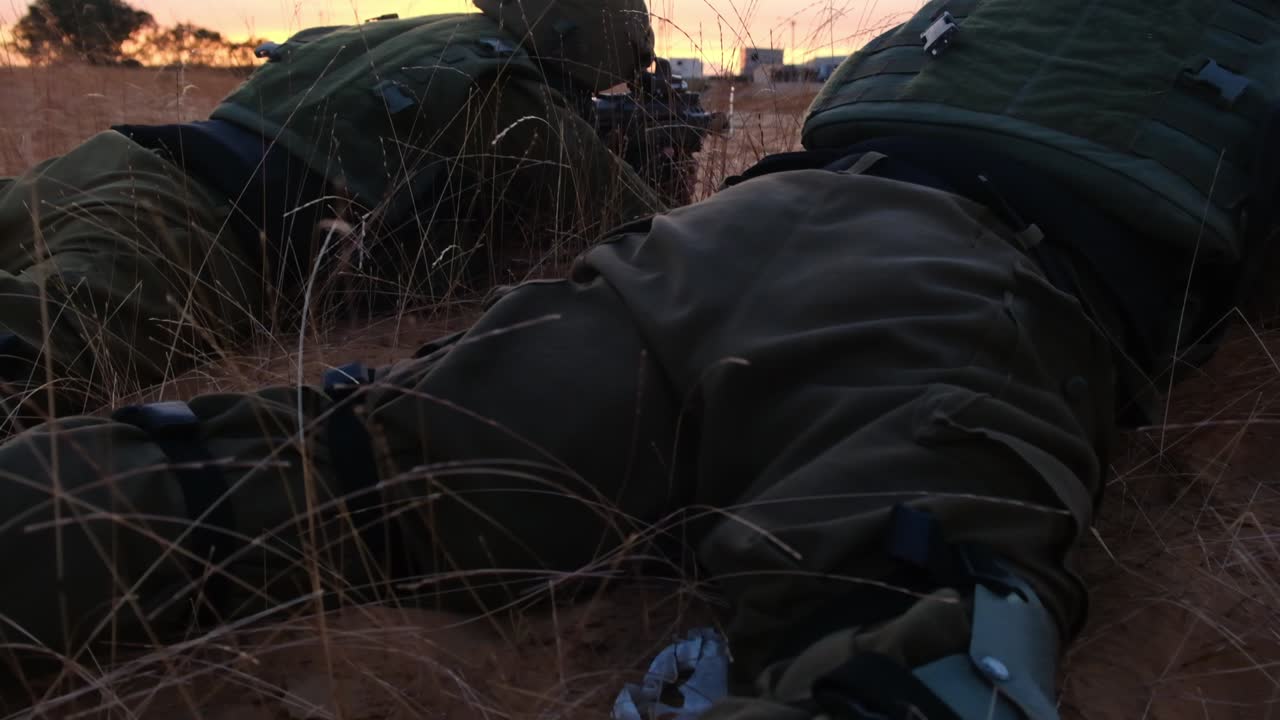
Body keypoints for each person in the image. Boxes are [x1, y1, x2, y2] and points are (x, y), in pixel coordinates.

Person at [0, 0, 1274, 717]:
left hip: (719, 242)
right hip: (965, 286)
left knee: (328, 466)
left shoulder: (972, 21)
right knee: (911, 646)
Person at [0, 0, 663, 433]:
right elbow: (656, 234)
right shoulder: (507, 91)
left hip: (97, 168)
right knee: (21, 377)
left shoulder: (397, 35)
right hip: (175, 237)